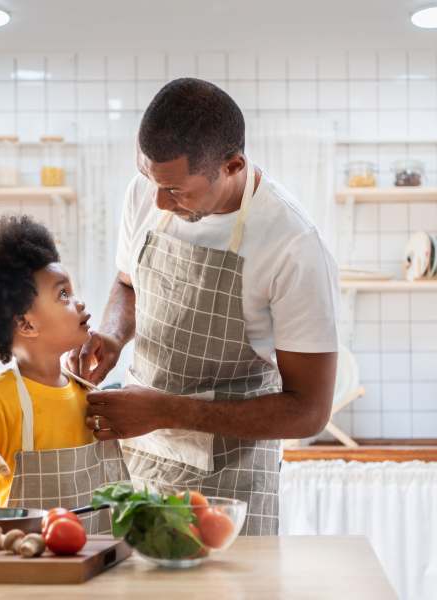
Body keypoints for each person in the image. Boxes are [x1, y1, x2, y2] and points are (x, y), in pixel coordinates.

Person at [69, 78, 339, 535]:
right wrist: (114, 334)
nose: (157, 200)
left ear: (232, 165)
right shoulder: (147, 192)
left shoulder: (292, 245)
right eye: (148, 178)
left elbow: (310, 410)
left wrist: (166, 411)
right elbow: (126, 283)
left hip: (230, 490)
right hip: (140, 461)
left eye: (176, 191)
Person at [0, 215, 127, 531]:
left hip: (92, 549)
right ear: (26, 324)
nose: (78, 302)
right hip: (24, 554)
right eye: (63, 295)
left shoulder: (85, 392)